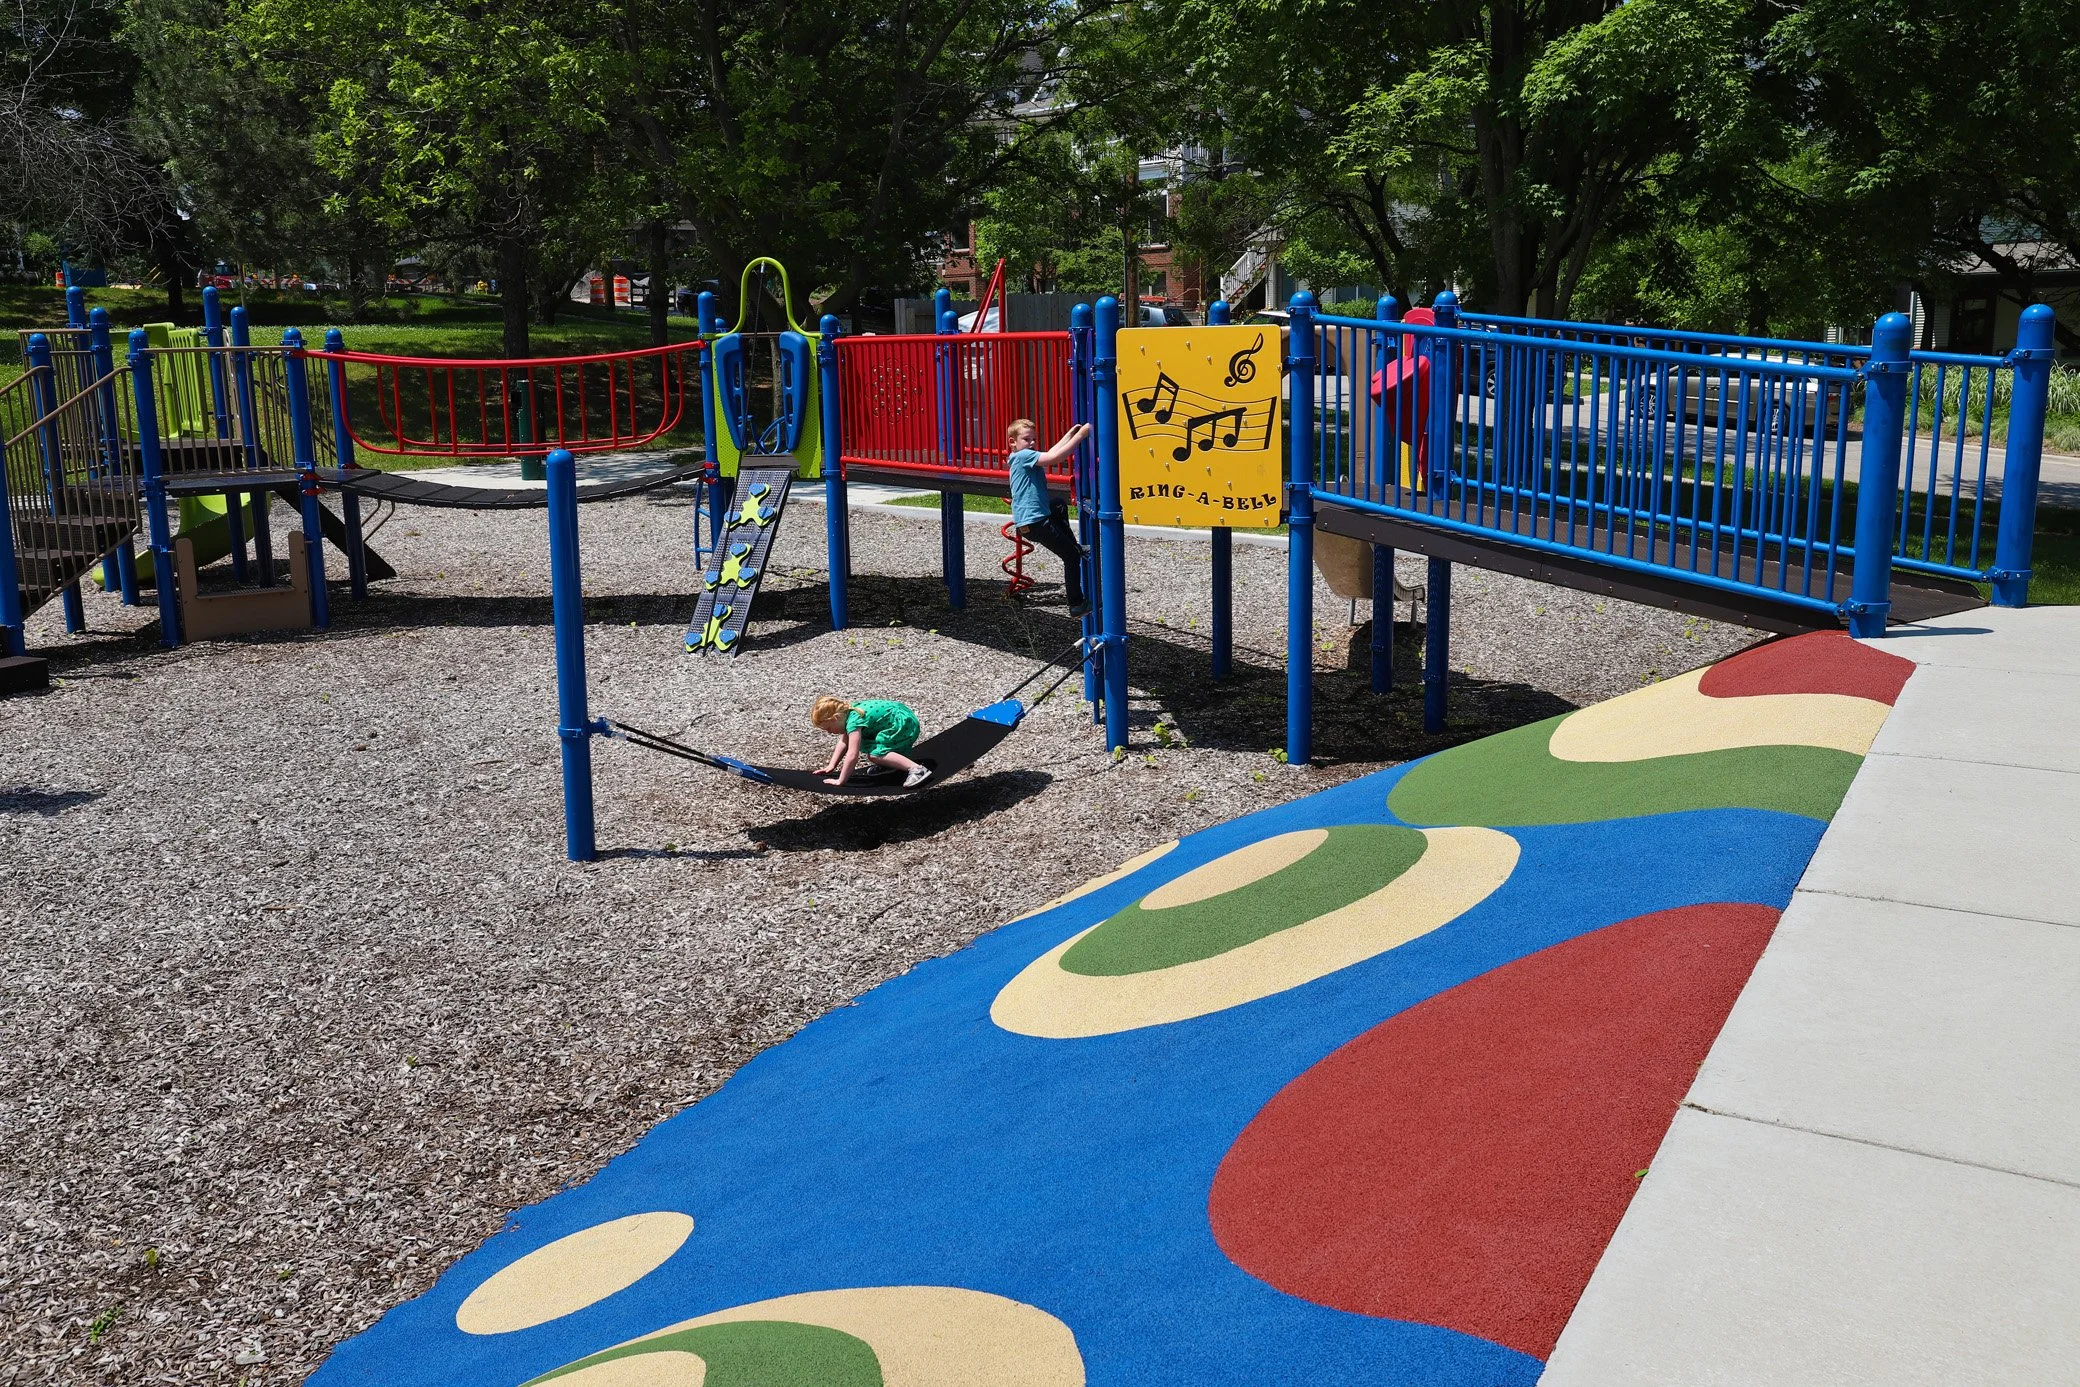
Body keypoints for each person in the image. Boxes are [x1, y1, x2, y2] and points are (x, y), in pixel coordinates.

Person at [1005, 418, 1093, 617]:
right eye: (1027, 439)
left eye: (1034, 439)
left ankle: (1076, 547)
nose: (1032, 443)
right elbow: (1054, 459)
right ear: (1013, 442)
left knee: (1058, 505)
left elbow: (1051, 452)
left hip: (1036, 520)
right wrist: (1080, 436)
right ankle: (1077, 604)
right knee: (1070, 557)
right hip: (1035, 523)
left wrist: (1069, 435)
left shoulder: (1021, 455)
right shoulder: (1023, 456)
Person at [811, 695, 930, 788]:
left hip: (903, 724)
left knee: (875, 755)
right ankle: (889, 763)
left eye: (828, 728)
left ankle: (917, 770)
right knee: (872, 745)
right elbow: (844, 742)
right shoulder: (849, 711)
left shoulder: (853, 722)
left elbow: (853, 754)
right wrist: (831, 765)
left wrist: (841, 781)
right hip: (900, 717)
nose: (829, 732)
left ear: (836, 718)